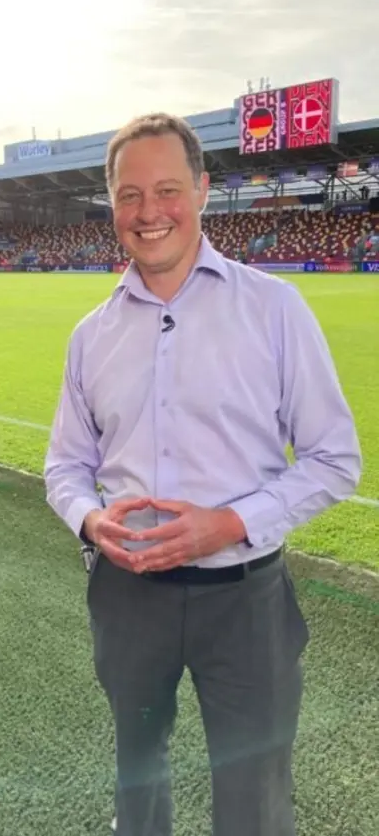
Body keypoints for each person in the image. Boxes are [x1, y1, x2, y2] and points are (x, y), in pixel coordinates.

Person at [43, 113, 361, 836]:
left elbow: (335, 458)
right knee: (138, 779)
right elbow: (65, 464)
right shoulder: (91, 335)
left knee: (254, 801)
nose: (149, 213)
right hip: (128, 598)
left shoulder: (274, 308)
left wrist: (231, 522)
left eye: (167, 189)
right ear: (112, 205)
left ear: (204, 191)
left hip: (244, 601)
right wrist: (91, 520)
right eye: (130, 195)